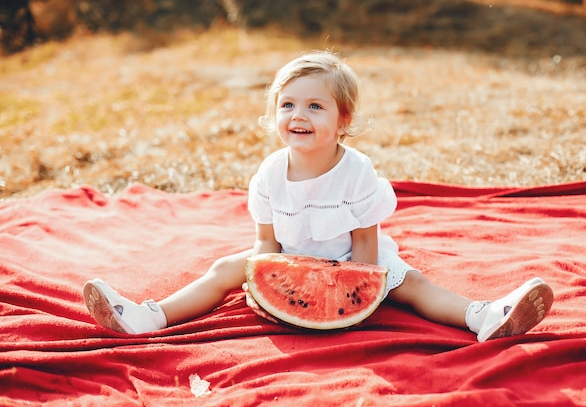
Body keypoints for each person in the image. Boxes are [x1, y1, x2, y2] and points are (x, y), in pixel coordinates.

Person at [83, 50, 553, 342]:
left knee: (412, 285)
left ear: (342, 121)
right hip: (290, 260)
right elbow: (266, 243)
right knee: (224, 269)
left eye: (314, 105)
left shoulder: (358, 171)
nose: (298, 115)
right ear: (275, 115)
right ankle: (149, 317)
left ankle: (485, 316)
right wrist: (262, 284)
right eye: (287, 105)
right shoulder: (269, 173)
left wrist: (360, 292)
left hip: (355, 260)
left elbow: (367, 243)